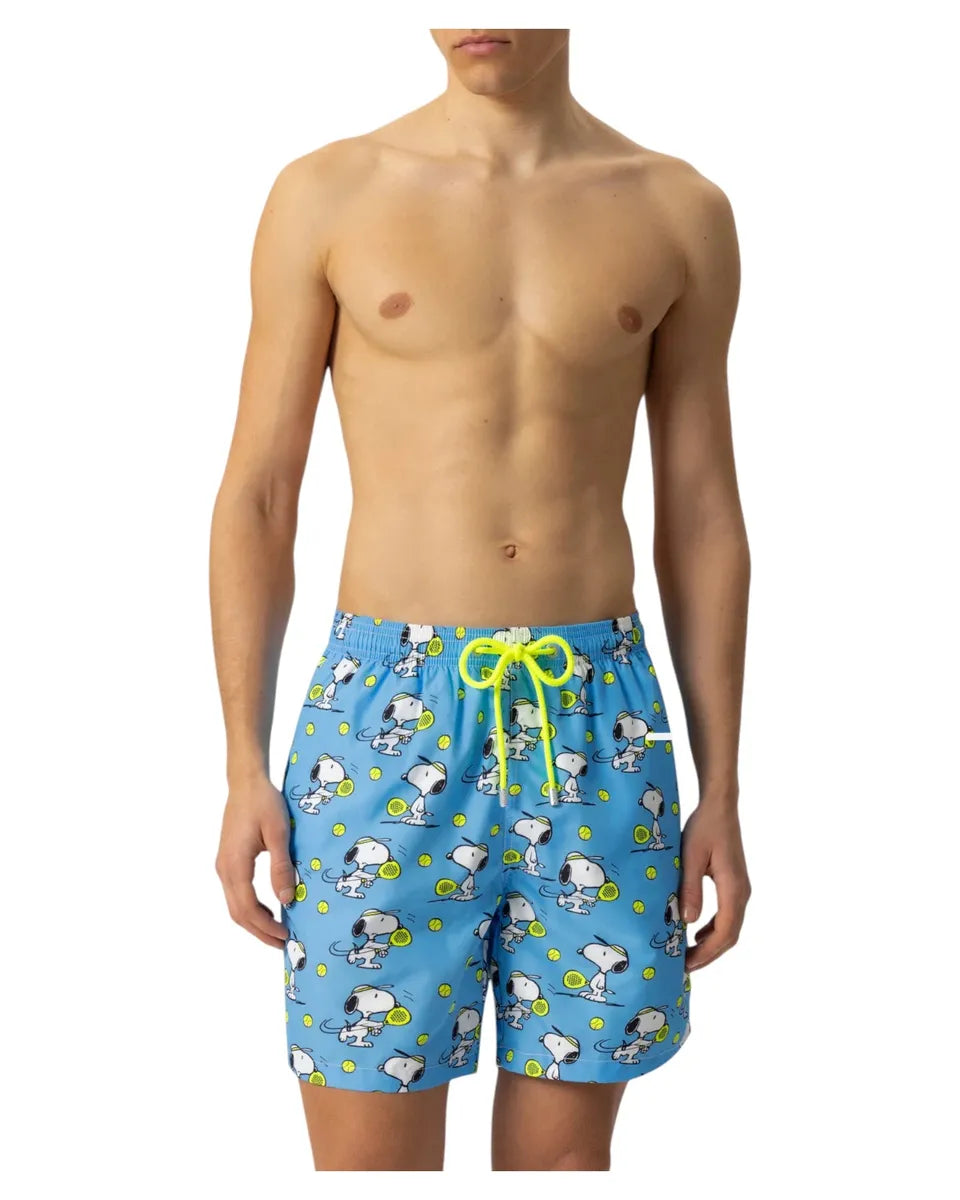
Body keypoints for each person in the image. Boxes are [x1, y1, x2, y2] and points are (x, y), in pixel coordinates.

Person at [210, 27, 751, 1172]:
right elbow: (259, 493)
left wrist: (724, 788)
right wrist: (242, 765)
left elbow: (702, 512)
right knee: (371, 1168)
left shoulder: (677, 209)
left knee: (563, 1169)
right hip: (384, 716)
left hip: (595, 719)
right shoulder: (330, 194)